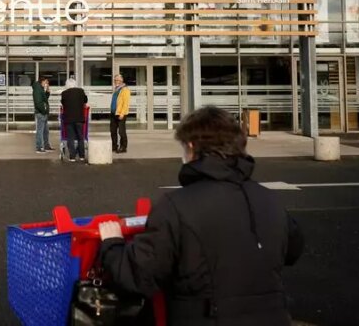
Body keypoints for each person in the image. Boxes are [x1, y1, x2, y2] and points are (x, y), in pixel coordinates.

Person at [97, 106, 304, 325]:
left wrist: (112, 243)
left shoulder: (176, 207)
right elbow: (293, 250)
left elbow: (137, 276)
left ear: (192, 147)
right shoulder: (270, 200)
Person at [59, 78, 88, 162]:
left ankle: (72, 157)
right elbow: (85, 100)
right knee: (80, 137)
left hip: (69, 119)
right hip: (79, 118)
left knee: (70, 137)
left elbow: (63, 103)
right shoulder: (81, 91)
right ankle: (82, 156)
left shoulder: (64, 93)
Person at [110, 74, 131, 154]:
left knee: (121, 132)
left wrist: (122, 113)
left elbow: (126, 103)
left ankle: (123, 147)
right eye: (115, 80)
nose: (116, 82)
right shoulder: (116, 89)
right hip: (113, 113)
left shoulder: (125, 90)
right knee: (113, 131)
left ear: (122, 81)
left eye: (118, 80)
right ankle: (114, 146)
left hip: (120, 113)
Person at [32, 76, 53, 153]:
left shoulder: (40, 89)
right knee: (40, 131)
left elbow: (45, 99)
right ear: (42, 81)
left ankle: (46, 146)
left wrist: (47, 90)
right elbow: (38, 102)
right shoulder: (37, 89)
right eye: (46, 82)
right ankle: (39, 147)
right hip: (41, 113)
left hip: (43, 113)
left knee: (45, 131)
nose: (46, 84)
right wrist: (44, 111)